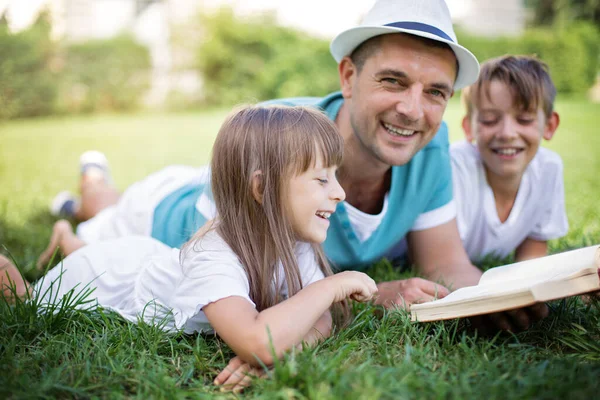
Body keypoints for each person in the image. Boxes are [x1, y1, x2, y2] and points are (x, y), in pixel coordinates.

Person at [44, 0, 546, 331]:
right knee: (99, 216)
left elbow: (444, 263)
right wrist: (375, 295)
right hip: (162, 217)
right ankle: (91, 184)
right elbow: (250, 288)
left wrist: (508, 293)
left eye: (436, 92)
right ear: (348, 75)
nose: (413, 110)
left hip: (193, 192)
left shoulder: (429, 150)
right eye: (393, 81)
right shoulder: (281, 136)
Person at [2, 105, 378, 392]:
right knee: (27, 300)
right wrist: (331, 286)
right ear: (262, 189)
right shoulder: (215, 255)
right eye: (321, 178)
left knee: (89, 241)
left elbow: (320, 319)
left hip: (143, 255)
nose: (339, 192)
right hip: (105, 277)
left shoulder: (296, 242)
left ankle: (70, 237)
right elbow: (255, 341)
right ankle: (59, 242)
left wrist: (289, 348)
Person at [452, 55, 568, 264]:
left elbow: (532, 255)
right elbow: (444, 263)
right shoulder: (457, 167)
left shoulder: (549, 168)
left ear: (550, 126)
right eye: (490, 120)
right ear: (468, 127)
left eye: (524, 119)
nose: (507, 133)